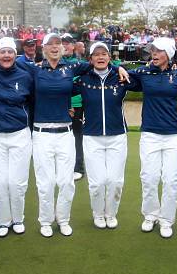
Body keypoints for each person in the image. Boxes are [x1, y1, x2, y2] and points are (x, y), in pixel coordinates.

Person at [18, 33, 127, 237]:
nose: (54, 47)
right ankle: (46, 221)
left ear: (62, 47)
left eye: (57, 43)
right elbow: (3, 65)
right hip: (41, 133)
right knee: (46, 182)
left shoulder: (72, 67)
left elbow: (100, 64)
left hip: (66, 132)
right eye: (50, 44)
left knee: (66, 181)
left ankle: (63, 219)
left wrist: (119, 67)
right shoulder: (33, 69)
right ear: (43, 48)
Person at [126, 37, 177, 239]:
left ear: (168, 54)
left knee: (171, 180)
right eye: (153, 51)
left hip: (173, 135)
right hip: (150, 133)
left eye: (159, 51)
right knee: (149, 178)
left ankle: (166, 220)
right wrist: (120, 69)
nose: (154, 54)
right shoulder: (143, 72)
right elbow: (124, 75)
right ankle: (151, 215)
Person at [0, 37, 34, 238]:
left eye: (10, 52)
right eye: (3, 52)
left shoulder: (26, 76)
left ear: (15, 54)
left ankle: (18, 218)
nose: (7, 55)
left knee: (17, 182)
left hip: (20, 135)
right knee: (0, 182)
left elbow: (36, 101)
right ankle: (3, 221)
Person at [73, 42, 132, 229]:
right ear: (90, 59)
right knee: (97, 182)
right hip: (92, 136)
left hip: (117, 136)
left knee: (115, 181)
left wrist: (119, 67)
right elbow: (61, 85)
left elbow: (144, 75)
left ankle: (111, 213)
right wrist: (71, 106)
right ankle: (98, 214)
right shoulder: (83, 79)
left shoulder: (121, 77)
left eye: (104, 54)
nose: (100, 57)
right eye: (96, 54)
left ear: (109, 57)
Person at [62, 33, 85, 181]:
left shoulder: (79, 63)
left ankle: (78, 167)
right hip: (60, 105)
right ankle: (65, 167)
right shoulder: (54, 62)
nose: (65, 45)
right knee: (63, 138)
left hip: (77, 105)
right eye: (62, 43)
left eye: (68, 43)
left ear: (73, 45)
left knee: (77, 137)